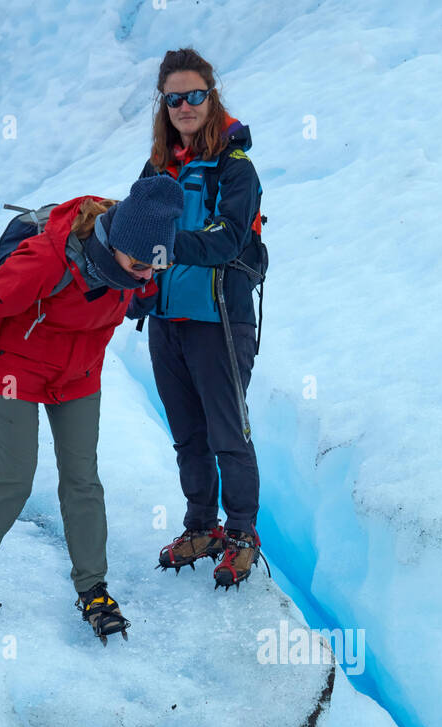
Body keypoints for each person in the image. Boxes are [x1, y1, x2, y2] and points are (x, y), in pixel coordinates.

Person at [0, 177, 183, 642]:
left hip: (78, 375)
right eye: (141, 266)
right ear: (114, 244)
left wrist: (145, 289)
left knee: (82, 479)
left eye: (155, 266)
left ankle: (93, 588)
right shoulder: (47, 260)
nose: (148, 274)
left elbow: (143, 286)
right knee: (13, 474)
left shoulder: (138, 261)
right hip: (13, 370)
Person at [136, 47, 265, 588]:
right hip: (168, 323)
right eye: (174, 98)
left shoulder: (235, 169)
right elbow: (136, 233)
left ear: (212, 98)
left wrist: (162, 245)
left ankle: (241, 534)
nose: (184, 106)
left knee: (227, 434)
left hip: (219, 322)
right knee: (188, 436)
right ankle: (201, 526)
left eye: (194, 95)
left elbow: (227, 240)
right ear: (163, 106)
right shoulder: (158, 166)